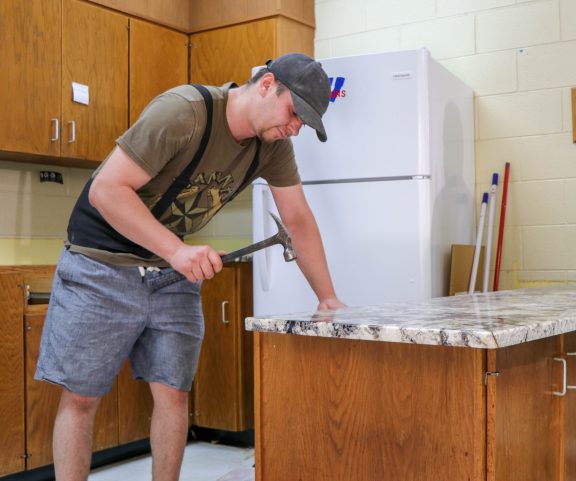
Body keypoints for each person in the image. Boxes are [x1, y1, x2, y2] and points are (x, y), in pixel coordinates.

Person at [35, 52, 346, 481]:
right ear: (267, 84)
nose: (295, 128)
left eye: (304, 124)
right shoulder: (184, 112)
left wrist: (327, 298)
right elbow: (106, 190)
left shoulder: (272, 147)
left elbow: (298, 220)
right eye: (295, 113)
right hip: (100, 262)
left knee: (174, 393)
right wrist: (177, 251)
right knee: (82, 398)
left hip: (169, 272)